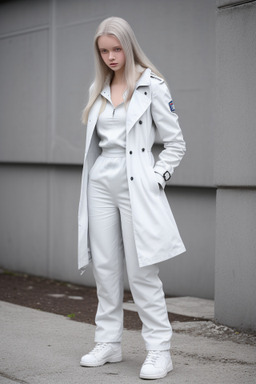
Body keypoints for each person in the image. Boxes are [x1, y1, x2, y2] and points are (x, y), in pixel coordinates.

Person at [78, 16, 186, 380]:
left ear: (128, 45)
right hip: (100, 182)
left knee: (142, 273)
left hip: (137, 182)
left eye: (116, 48)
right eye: (104, 50)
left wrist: (156, 179)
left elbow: (176, 144)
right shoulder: (99, 87)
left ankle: (159, 351)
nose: (110, 56)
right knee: (106, 269)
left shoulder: (152, 84)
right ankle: (108, 343)